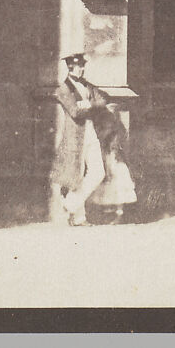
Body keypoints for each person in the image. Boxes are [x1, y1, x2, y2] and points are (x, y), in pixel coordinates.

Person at [54, 52, 137, 226]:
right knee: (77, 176)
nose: (82, 69)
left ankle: (70, 203)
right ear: (70, 67)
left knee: (98, 172)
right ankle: (78, 218)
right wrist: (93, 106)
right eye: (79, 66)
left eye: (83, 66)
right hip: (75, 138)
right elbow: (75, 112)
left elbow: (103, 99)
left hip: (92, 133)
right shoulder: (63, 89)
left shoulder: (88, 86)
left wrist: (88, 105)